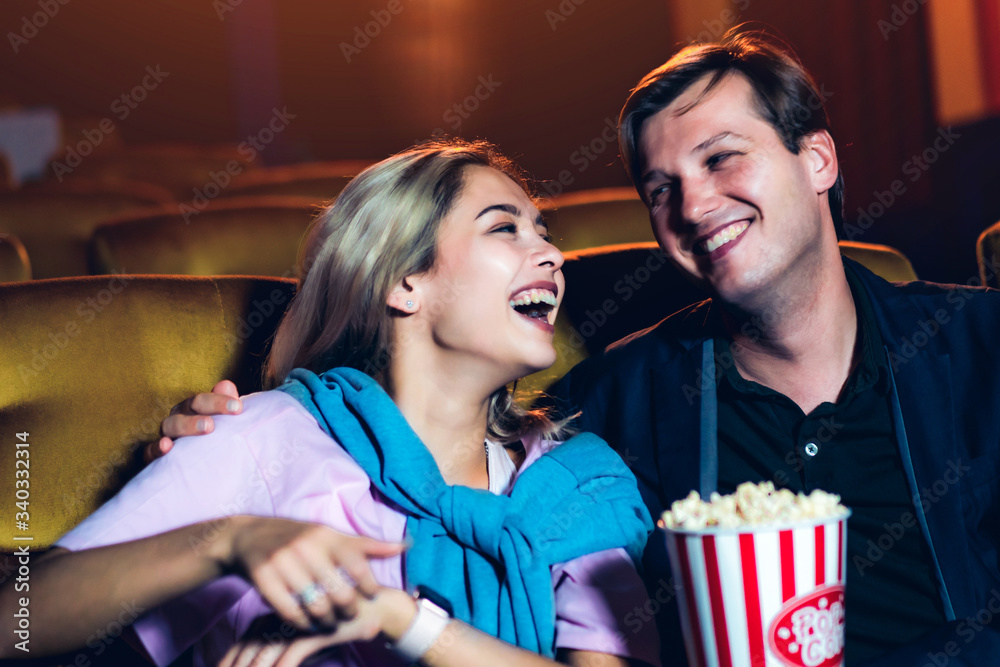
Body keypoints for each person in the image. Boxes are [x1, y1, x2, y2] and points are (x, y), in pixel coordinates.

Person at [160, 28, 1000, 666]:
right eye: (661, 189)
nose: (695, 204)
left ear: (816, 159)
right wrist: (231, 438)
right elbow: (446, 442)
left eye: (721, 159)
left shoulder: (979, 344)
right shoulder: (618, 399)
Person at [0, 140, 660, 667]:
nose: (550, 251)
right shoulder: (259, 435)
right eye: (505, 228)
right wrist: (227, 540)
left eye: (543, 231)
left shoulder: (575, 478)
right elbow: (17, 621)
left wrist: (400, 618)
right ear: (405, 280)